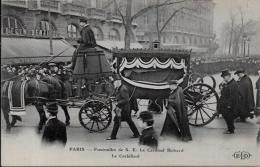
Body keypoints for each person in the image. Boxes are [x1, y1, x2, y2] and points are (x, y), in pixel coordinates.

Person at [106, 76, 140, 140]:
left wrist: (118, 103)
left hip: (123, 109)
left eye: (115, 82)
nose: (114, 84)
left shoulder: (123, 89)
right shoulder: (120, 88)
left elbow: (126, 99)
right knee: (129, 121)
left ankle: (113, 136)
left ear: (118, 82)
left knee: (117, 121)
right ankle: (137, 134)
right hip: (124, 108)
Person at [218, 69, 240, 134]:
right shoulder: (228, 83)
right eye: (223, 77)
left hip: (230, 104)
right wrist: (222, 86)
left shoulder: (233, 84)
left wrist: (229, 105)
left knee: (229, 117)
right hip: (226, 103)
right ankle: (231, 128)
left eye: (224, 77)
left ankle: (231, 130)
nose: (223, 78)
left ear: (228, 76)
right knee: (226, 116)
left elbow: (233, 96)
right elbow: (222, 90)